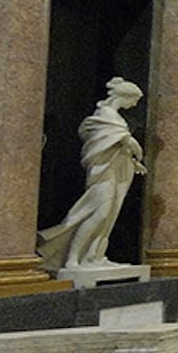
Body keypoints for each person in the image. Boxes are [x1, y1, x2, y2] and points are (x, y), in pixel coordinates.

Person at [37, 77, 146, 270]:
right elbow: (117, 141)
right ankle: (72, 258)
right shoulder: (107, 115)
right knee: (99, 213)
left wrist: (132, 161)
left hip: (113, 170)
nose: (135, 104)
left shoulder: (114, 118)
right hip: (102, 172)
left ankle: (93, 256)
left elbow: (115, 144)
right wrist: (131, 145)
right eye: (134, 100)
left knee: (109, 215)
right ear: (125, 96)